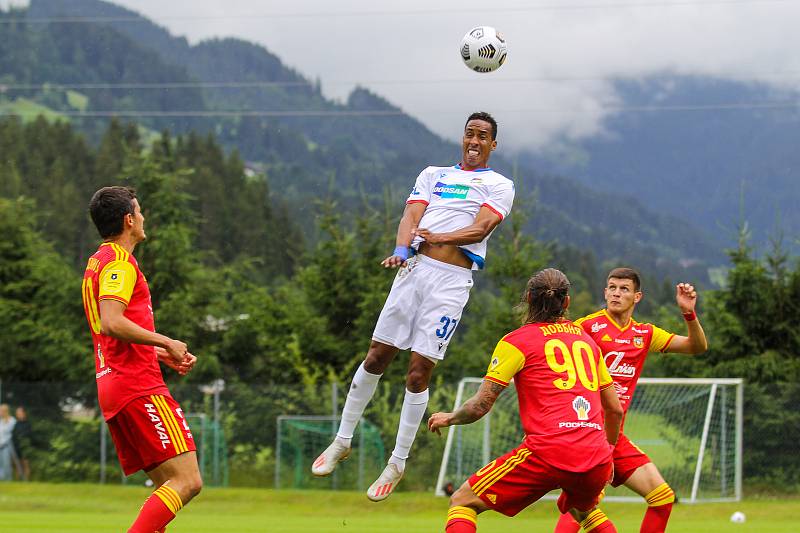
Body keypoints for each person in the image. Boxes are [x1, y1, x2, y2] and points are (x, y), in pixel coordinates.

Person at [312, 111, 515, 501]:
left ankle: (397, 461)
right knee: (375, 358)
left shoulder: (499, 184)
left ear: (493, 144)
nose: (474, 141)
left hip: (451, 283)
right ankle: (342, 440)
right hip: (414, 272)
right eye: (469, 133)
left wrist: (440, 235)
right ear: (463, 137)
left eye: (483, 136)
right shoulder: (433, 174)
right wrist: (401, 250)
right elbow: (410, 215)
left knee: (418, 372)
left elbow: (482, 227)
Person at [428, 268, 623, 533]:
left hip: (549, 452)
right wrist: (609, 455)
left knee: (463, 501)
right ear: (566, 302)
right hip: (596, 456)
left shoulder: (517, 341)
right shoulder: (588, 342)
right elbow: (614, 409)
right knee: (584, 511)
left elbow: (480, 405)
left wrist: (450, 417)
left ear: (529, 299)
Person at [82, 186, 202, 533]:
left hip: (114, 383)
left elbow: (109, 330)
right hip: (137, 386)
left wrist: (156, 352)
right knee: (188, 481)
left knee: (169, 485)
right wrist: (166, 340)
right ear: (129, 219)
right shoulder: (120, 264)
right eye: (140, 211)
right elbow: (112, 321)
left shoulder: (97, 262)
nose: (144, 217)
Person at [553, 267, 708, 533]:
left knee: (662, 497)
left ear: (637, 297)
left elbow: (697, 347)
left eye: (624, 289)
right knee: (584, 504)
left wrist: (688, 313)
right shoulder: (586, 328)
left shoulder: (644, 334)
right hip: (585, 433)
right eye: (612, 287)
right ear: (605, 292)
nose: (616, 293)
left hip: (614, 436)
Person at [11, 406, 32, 481]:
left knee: (25, 465)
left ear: (24, 413)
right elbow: (13, 435)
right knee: (17, 466)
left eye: (19, 413)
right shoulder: (16, 424)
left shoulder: (28, 424)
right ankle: (18, 481)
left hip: (25, 448)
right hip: (16, 448)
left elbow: (29, 435)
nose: (18, 414)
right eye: (17, 413)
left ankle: (26, 481)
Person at [0, 404, 15, 481]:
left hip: (6, 445)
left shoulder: (11, 420)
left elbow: (8, 430)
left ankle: (8, 480)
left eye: (1, 411)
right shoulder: (0, 421)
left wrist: (6, 420)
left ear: (5, 411)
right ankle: (1, 480)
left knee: (6, 464)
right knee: (0, 465)